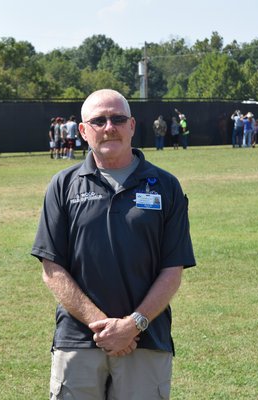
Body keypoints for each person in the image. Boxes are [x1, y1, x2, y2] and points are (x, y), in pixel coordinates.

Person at [31, 89, 195, 400]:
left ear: (132, 125)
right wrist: (103, 326)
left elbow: (172, 269)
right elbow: (52, 269)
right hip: (78, 341)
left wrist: (134, 325)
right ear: (83, 130)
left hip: (146, 341)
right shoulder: (63, 186)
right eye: (99, 120)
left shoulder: (166, 186)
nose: (110, 127)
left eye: (118, 119)